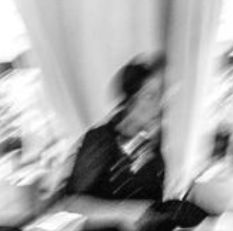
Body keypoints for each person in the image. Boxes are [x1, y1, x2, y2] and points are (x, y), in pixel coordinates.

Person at [61, 56, 168, 205]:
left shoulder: (148, 143)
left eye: (160, 96)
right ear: (129, 101)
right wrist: (121, 213)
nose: (158, 105)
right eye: (150, 96)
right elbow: (71, 204)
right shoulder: (100, 140)